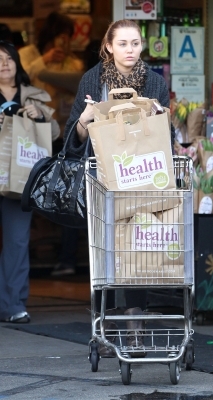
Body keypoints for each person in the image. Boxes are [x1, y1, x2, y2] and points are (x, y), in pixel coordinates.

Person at [63, 19, 174, 356]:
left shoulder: (154, 82)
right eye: (122, 43)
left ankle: (135, 327)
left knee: (137, 249)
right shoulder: (93, 79)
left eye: (135, 43)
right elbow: (74, 137)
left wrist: (160, 116)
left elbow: (165, 138)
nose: (130, 50)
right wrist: (87, 115)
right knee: (106, 254)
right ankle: (107, 326)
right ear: (108, 46)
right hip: (104, 179)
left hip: (141, 177)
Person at [18, 12, 85, 277]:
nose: (64, 42)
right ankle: (25, 258)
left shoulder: (73, 61)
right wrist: (43, 62)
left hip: (65, 134)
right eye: (61, 34)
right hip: (32, 136)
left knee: (70, 193)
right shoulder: (26, 55)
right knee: (26, 192)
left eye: (68, 36)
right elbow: (20, 79)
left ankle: (67, 258)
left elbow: (79, 82)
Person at [0, 41, 60, 323]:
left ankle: (13, 305)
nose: (4, 63)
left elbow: (57, 132)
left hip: (20, 179)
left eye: (9, 58)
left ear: (17, 63)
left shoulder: (34, 96)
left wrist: (41, 115)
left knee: (17, 242)